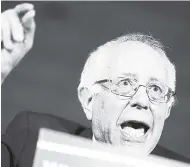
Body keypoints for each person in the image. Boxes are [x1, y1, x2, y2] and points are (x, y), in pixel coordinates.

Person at [1, 3, 190, 167]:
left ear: (167, 110)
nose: (142, 100)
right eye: (125, 83)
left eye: (156, 89)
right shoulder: (31, 138)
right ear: (88, 100)